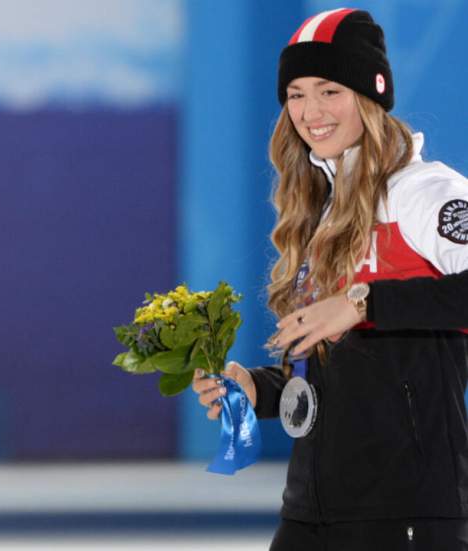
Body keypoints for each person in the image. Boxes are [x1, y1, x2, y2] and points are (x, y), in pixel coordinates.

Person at [191, 8, 468, 550]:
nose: (309, 111)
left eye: (329, 90)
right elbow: (340, 372)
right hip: (313, 511)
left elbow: (370, 319)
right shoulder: (322, 207)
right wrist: (259, 389)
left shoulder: (424, 193)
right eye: (295, 93)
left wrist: (363, 303)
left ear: (372, 94)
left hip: (405, 513)